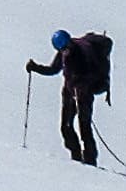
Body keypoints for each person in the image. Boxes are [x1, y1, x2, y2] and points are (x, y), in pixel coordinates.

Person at [26, 28, 113, 166]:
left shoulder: (83, 52)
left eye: (66, 47)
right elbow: (54, 69)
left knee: (84, 126)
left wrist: (81, 88)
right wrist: (36, 68)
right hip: (69, 91)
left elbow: (92, 74)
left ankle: (90, 159)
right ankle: (76, 156)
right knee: (66, 126)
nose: (65, 51)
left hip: (84, 93)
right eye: (61, 49)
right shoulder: (63, 53)